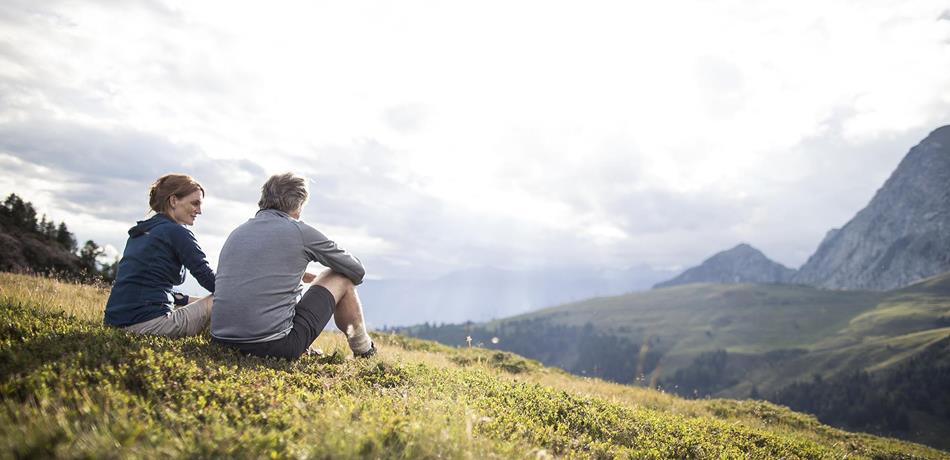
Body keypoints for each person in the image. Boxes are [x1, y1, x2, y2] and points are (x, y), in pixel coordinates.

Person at [210, 172, 375, 359]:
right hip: (274, 346)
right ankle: (364, 350)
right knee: (341, 276)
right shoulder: (300, 231)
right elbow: (356, 271)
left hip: (220, 340)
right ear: (299, 204)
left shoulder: (237, 232)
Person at [103, 174, 215, 337]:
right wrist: (240, 293)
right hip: (148, 324)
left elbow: (145, 282)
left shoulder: (140, 233)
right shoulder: (176, 232)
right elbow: (206, 277)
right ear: (174, 201)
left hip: (114, 323)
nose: (199, 211)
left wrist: (182, 299)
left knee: (197, 300)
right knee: (220, 299)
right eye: (195, 203)